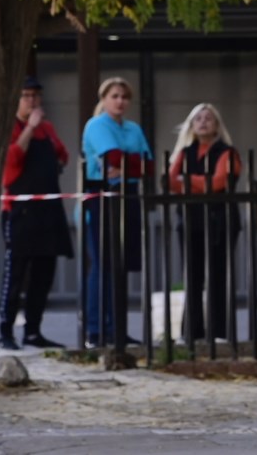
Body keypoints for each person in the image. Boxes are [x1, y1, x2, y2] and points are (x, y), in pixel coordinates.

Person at [0, 76, 73, 351]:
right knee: (15, 273)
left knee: (44, 273)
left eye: (35, 96)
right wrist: (29, 128)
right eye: (26, 95)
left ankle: (33, 330)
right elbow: (12, 160)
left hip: (48, 209)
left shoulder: (48, 128)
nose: (32, 101)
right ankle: (5, 331)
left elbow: (62, 154)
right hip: (20, 210)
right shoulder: (12, 127)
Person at [82, 77, 153, 348]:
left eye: (124, 96)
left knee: (121, 266)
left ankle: (118, 328)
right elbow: (111, 160)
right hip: (103, 196)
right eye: (114, 96)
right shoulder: (97, 125)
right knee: (103, 265)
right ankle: (97, 329)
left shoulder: (133, 128)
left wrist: (125, 167)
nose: (120, 101)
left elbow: (148, 164)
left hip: (129, 195)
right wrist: (126, 164)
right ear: (104, 98)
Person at [167, 103, 242, 342]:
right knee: (192, 276)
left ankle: (219, 332)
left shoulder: (227, 152)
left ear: (217, 125)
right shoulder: (184, 152)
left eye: (208, 118)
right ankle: (191, 332)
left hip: (220, 221)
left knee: (218, 275)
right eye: (198, 118)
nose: (203, 122)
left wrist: (187, 180)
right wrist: (200, 182)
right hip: (190, 220)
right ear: (191, 124)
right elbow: (170, 181)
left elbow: (219, 182)